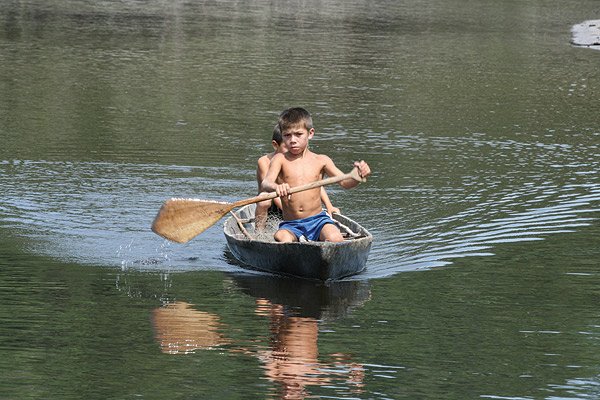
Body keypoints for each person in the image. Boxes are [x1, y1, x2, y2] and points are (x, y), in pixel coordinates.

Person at [261, 107, 371, 243]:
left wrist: (358, 177)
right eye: (287, 135)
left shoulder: (321, 160)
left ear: (310, 133)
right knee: (282, 238)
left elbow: (345, 183)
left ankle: (318, 246)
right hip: (292, 224)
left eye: (298, 134)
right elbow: (266, 183)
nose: (292, 140)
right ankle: (298, 241)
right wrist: (277, 187)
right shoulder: (279, 159)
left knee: (335, 238)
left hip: (318, 221)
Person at [255, 123, 339, 231]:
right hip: (273, 203)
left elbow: (314, 185)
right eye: (286, 146)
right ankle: (259, 232)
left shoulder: (298, 159)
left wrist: (329, 206)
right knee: (263, 200)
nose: (292, 148)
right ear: (275, 145)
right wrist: (291, 211)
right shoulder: (265, 161)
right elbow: (270, 189)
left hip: (291, 204)